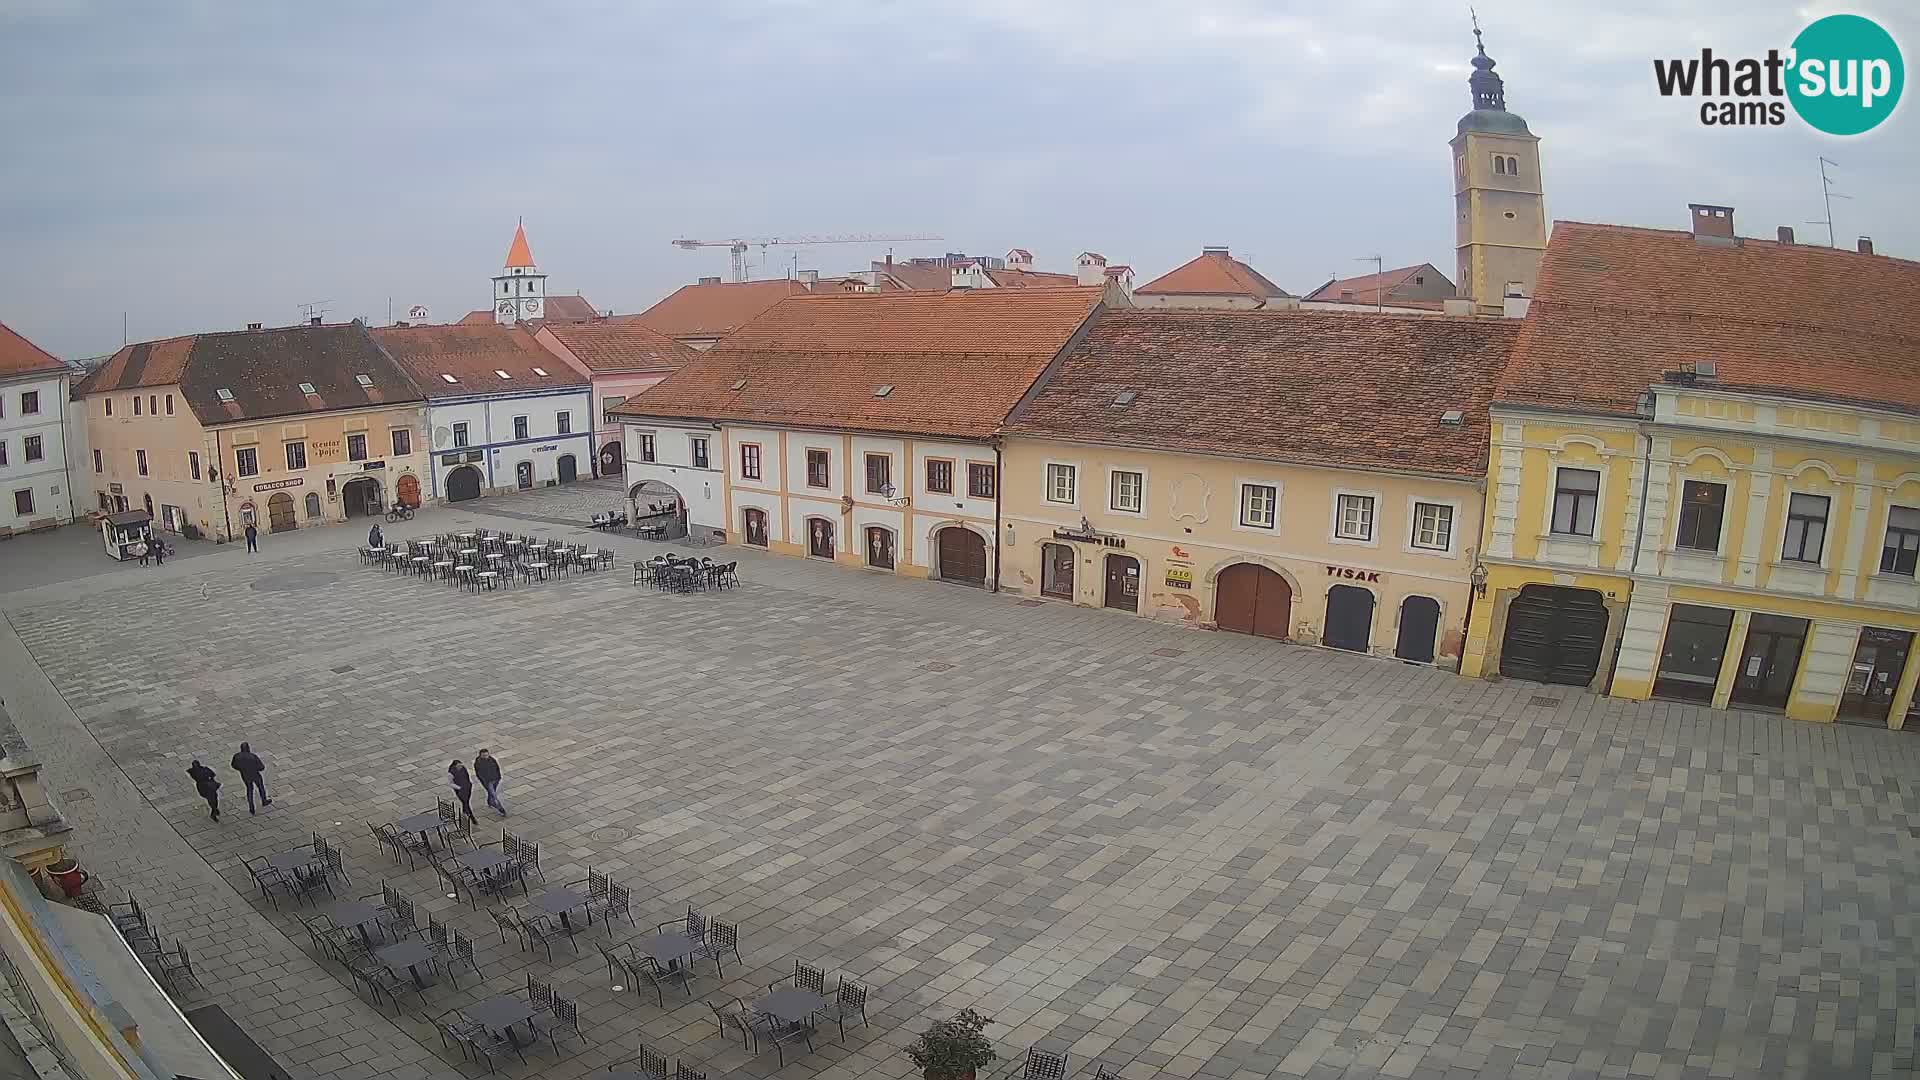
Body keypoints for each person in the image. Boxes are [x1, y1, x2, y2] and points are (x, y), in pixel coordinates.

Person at [230, 742, 272, 814]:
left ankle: (251, 807)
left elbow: (233, 765)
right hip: (255, 774)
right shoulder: (253, 756)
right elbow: (261, 767)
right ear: (248, 748)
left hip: (245, 775)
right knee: (261, 787)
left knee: (249, 790)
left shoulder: (236, 756)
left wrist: (241, 769)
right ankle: (264, 801)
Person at [474, 748, 506, 816]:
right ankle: (500, 809)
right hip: (488, 782)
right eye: (484, 755)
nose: (486, 756)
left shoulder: (492, 759)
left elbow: (497, 768)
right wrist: (484, 781)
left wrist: (499, 777)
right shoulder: (478, 763)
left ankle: (489, 802)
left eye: (487, 755)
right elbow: (479, 774)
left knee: (491, 792)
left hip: (496, 779)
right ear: (480, 755)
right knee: (494, 795)